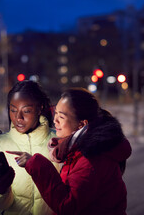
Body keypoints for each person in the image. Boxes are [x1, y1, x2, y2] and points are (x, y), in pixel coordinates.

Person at [8, 87, 132, 215]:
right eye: (55, 113)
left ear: (81, 125)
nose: (55, 120)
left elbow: (67, 205)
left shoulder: (91, 159)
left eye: (61, 117)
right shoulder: (78, 150)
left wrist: (37, 165)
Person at [0, 80, 60, 215]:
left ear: (39, 108)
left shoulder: (58, 142)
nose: (18, 117)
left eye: (26, 111)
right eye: (13, 110)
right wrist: (1, 188)